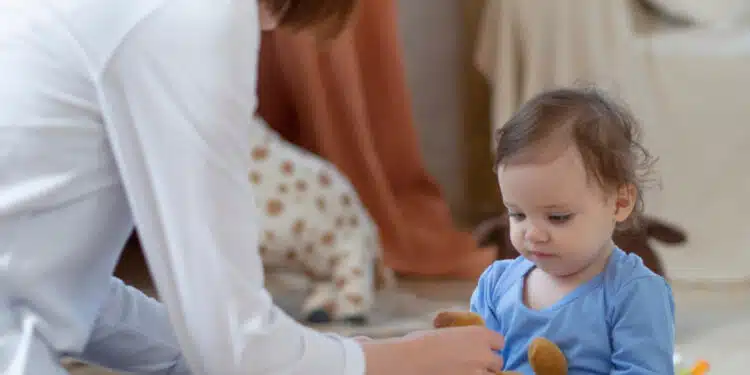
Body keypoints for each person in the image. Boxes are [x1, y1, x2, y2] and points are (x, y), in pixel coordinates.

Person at [0, 0, 505, 374]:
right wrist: (392, 362)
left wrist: (359, 356)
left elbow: (58, 287)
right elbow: (236, 353)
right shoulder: (194, 17)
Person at [470, 86, 675, 374]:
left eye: (557, 217)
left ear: (620, 202)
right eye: (517, 214)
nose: (532, 234)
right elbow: (477, 362)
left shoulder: (633, 292)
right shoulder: (495, 285)